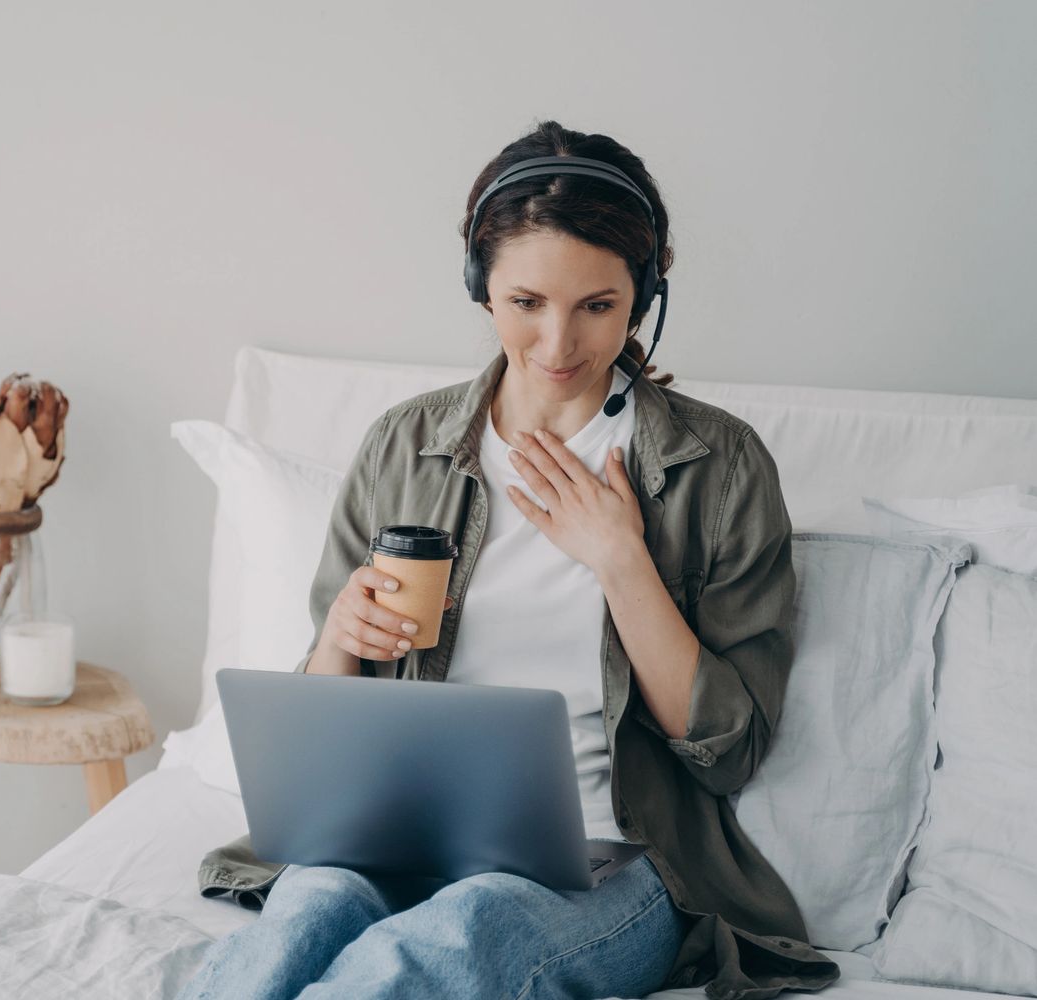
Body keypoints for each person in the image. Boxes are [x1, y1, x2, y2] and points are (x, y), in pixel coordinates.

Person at [178, 120, 840, 1000]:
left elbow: (728, 754)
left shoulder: (719, 469)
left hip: (615, 864)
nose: (559, 345)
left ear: (643, 297)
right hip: (396, 836)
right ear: (479, 287)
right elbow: (326, 735)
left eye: (596, 306)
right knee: (306, 909)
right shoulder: (404, 445)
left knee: (454, 935)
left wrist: (621, 561)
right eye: (527, 303)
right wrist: (341, 633)